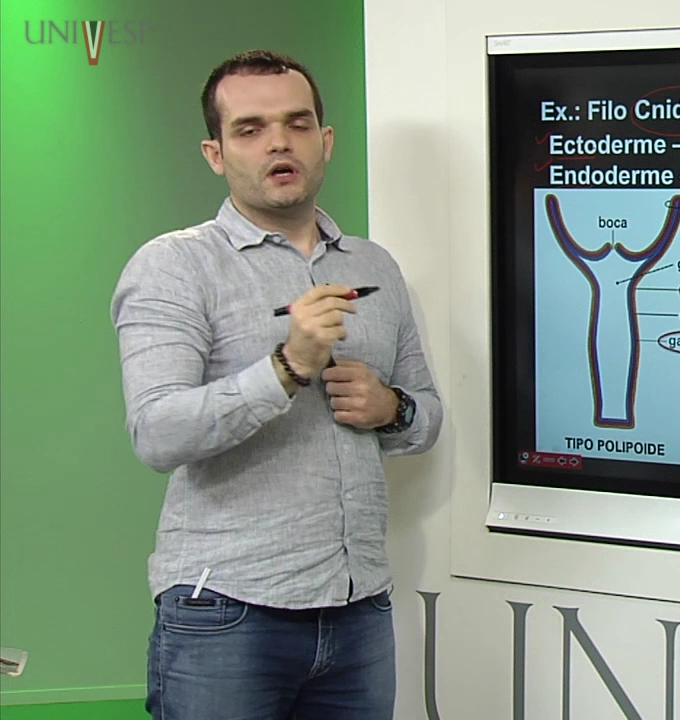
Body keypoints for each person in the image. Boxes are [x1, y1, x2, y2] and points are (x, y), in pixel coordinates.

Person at [109, 49, 443, 719]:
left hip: (359, 611)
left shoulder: (375, 266)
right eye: (250, 129)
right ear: (215, 153)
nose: (278, 143)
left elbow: (427, 415)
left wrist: (391, 409)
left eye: (296, 123)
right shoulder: (174, 266)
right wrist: (286, 368)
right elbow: (156, 433)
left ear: (325, 141)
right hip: (226, 612)